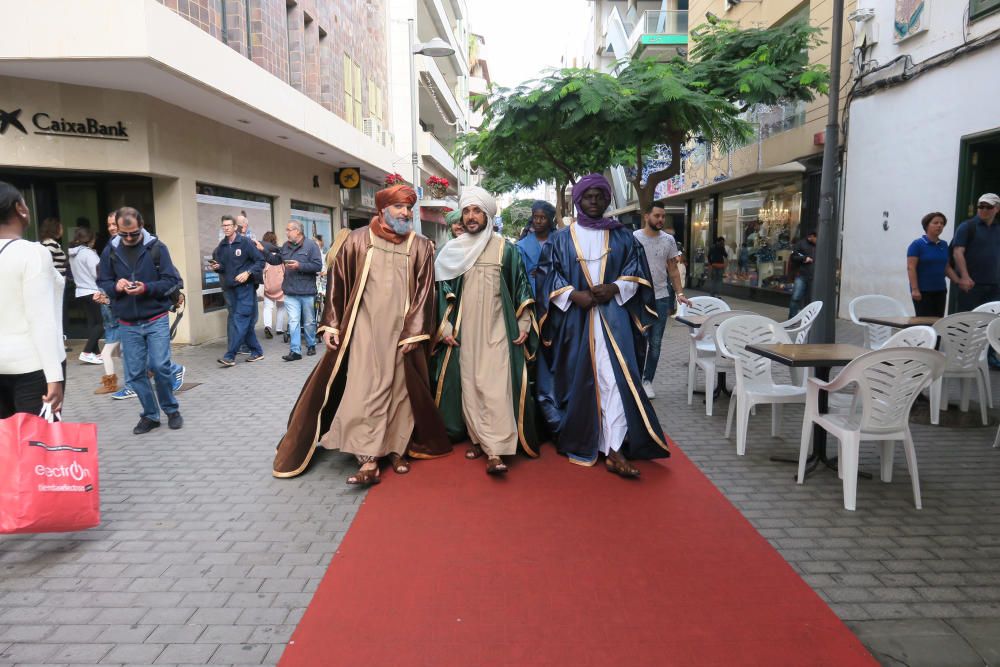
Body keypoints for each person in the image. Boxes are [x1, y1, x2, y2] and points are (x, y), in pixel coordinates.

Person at [271, 185, 450, 482]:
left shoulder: (420, 246)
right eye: (399, 207)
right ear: (382, 209)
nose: (405, 213)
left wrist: (415, 332)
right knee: (365, 388)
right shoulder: (356, 241)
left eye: (408, 207)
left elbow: (425, 294)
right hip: (364, 330)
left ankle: (396, 448)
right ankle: (368, 457)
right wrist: (331, 324)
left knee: (400, 391)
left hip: (403, 334)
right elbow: (337, 286)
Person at [535, 174, 668, 478]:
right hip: (575, 323)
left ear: (608, 199)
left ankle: (615, 448)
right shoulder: (559, 238)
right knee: (580, 383)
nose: (593, 201)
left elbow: (638, 273)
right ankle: (585, 438)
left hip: (614, 321)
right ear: (577, 200)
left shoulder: (623, 237)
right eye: (587, 197)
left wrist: (617, 288)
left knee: (614, 382)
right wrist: (572, 294)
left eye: (599, 196)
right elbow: (546, 275)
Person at [432, 186, 540, 475]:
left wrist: (524, 322)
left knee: (495, 388)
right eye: (466, 211)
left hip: (498, 330)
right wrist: (444, 326)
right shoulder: (451, 251)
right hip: (465, 334)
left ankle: (496, 450)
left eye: (476, 210)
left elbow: (521, 288)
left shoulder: (506, 248)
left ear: (488, 214)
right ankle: (480, 438)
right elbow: (441, 292)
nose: (471, 216)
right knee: (471, 387)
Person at [97, 207, 183, 434]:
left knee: (160, 366)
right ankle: (150, 415)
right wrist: (114, 287)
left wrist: (146, 288)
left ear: (141, 226)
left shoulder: (157, 248)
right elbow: (103, 280)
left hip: (156, 318)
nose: (127, 238)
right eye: (123, 234)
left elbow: (171, 281)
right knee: (135, 374)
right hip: (127, 322)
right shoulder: (111, 250)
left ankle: (171, 409)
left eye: (133, 234)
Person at [0, 182, 64, 418]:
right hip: (32, 367)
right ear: (20, 208)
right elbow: (41, 319)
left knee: (5, 449)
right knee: (38, 448)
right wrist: (54, 376)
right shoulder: (33, 252)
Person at [633, 203, 690, 398]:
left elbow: (673, 269)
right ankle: (634, 378)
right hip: (637, 298)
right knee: (637, 341)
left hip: (661, 298)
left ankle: (647, 380)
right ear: (646, 216)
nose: (661, 220)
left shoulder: (668, 240)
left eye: (663, 216)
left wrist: (680, 293)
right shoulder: (634, 238)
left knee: (655, 344)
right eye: (657, 216)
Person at [264, 221, 323, 360]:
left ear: (298, 231)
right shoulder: (285, 246)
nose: (286, 232)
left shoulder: (311, 245)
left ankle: (311, 344)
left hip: (307, 291)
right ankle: (295, 351)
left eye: (289, 229)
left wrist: (299, 266)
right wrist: (263, 251)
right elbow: (275, 260)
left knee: (309, 322)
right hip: (290, 290)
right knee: (293, 321)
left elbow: (317, 266)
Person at [210, 216, 265, 367]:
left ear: (235, 227)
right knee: (241, 322)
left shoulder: (246, 242)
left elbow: (260, 261)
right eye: (224, 226)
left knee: (239, 321)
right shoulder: (221, 246)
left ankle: (230, 355)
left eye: (229, 225)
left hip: (245, 288)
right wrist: (217, 268)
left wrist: (248, 272)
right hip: (229, 290)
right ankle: (257, 351)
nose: (226, 228)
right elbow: (223, 267)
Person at [951, 193, 1000, 312]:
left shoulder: (998, 228)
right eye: (981, 206)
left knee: (991, 320)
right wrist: (964, 277)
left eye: (989, 207)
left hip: (994, 285)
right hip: (972, 285)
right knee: (967, 320)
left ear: (997, 209)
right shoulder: (967, 227)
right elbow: (958, 252)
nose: (984, 210)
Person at [907, 212, 957, 317]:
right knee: (924, 322)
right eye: (935, 223)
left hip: (940, 290)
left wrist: (959, 281)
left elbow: (946, 267)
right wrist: (915, 289)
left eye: (942, 223)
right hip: (923, 291)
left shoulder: (943, 244)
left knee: (938, 321)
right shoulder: (917, 244)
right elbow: (911, 267)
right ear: (927, 225)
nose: (939, 225)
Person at [67, 227, 104, 365]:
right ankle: (87, 352)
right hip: (93, 291)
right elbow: (97, 274)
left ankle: (96, 353)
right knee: (101, 324)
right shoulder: (89, 254)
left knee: (93, 323)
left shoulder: (72, 254)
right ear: (90, 240)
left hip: (80, 291)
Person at [516, 200, 556, 293]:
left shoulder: (560, 242)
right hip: (531, 296)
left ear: (550, 219)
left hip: (556, 295)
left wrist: (545, 272)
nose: (538, 221)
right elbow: (518, 277)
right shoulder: (521, 246)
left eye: (543, 218)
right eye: (535, 217)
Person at [257, 230, 287, 341]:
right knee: (281, 306)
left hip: (269, 284)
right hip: (281, 284)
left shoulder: (263, 253)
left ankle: (268, 326)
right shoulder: (279, 253)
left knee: (268, 307)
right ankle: (279, 328)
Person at [788, 230, 817, 318]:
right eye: (816, 238)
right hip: (802, 275)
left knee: (811, 299)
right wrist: (804, 258)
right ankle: (792, 319)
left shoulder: (820, 245)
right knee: (796, 297)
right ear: (812, 236)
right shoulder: (800, 244)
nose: (817, 240)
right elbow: (793, 257)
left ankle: (808, 319)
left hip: (814, 276)